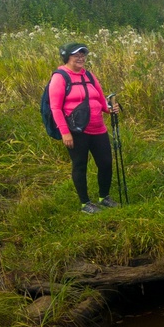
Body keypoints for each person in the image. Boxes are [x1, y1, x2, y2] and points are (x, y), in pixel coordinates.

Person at [49, 42, 120, 214]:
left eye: (83, 55)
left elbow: (100, 97)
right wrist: (65, 133)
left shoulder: (88, 75)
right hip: (76, 131)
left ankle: (104, 197)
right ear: (67, 57)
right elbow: (55, 108)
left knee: (105, 163)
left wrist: (109, 109)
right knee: (80, 165)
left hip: (98, 128)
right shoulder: (60, 77)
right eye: (76, 55)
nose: (81, 58)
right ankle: (85, 204)